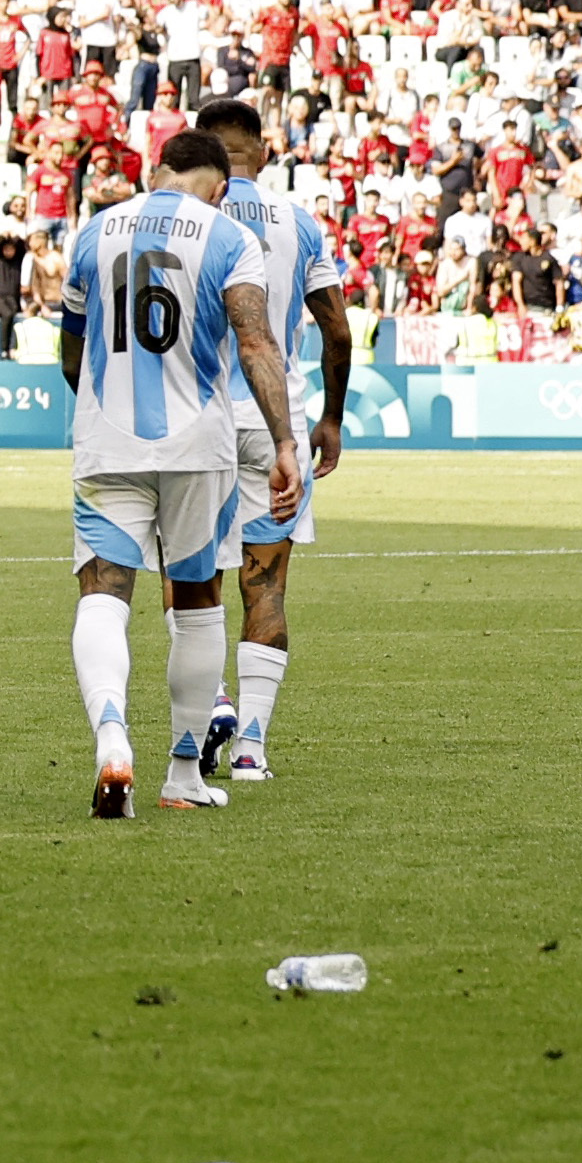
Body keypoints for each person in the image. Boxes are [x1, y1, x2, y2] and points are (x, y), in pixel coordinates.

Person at [58, 126, 300, 816]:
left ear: (155, 170)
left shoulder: (95, 231)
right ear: (221, 188)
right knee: (196, 601)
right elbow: (255, 342)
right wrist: (284, 441)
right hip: (200, 445)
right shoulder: (229, 237)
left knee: (104, 592)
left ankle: (111, 736)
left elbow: (71, 353)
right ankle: (183, 773)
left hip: (108, 441)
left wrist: (97, 412)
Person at [197, 99, 350, 781]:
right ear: (262, 149)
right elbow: (337, 330)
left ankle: (213, 702)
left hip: (196, 417)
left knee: (193, 581)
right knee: (267, 585)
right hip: (273, 418)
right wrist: (332, 419)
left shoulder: (187, 219)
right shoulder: (300, 221)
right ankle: (252, 746)